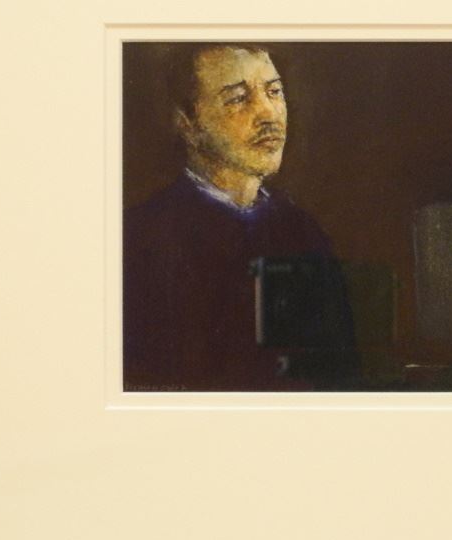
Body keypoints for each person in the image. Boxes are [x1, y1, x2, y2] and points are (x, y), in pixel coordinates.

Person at [123, 45, 355, 391]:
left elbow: (338, 378)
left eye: (274, 92)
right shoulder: (140, 240)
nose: (268, 114)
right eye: (238, 99)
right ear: (187, 125)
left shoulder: (305, 234)